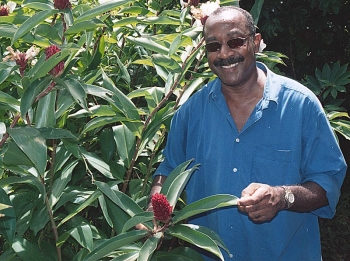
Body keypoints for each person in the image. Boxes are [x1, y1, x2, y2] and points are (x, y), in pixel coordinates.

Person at [149, 6, 347, 261]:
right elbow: (168, 171)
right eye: (213, 46)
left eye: (235, 41)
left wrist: (282, 196)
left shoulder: (300, 106)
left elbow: (327, 183)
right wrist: (155, 207)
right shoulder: (189, 113)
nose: (224, 53)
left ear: (255, 42)